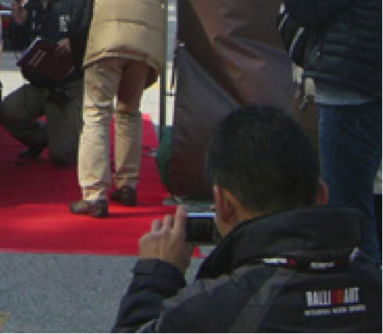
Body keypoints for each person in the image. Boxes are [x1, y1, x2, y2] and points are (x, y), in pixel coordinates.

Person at [113, 105, 381, 332]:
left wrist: (156, 276)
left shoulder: (213, 307)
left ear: (224, 204)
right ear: (322, 195)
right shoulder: (373, 284)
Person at [282, 0, 382, 263]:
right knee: (357, 198)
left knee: (348, 209)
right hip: (366, 84)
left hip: (347, 91)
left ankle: (365, 290)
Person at [66, 0, 169, 217]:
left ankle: (94, 193)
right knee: (129, 112)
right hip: (145, 46)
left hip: (108, 40)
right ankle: (127, 184)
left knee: (97, 113)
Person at [0, 0, 84, 164]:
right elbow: (20, 44)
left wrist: (75, 42)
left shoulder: (75, 0)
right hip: (39, 85)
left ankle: (68, 135)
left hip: (67, 88)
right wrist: (18, 24)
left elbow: (94, 35)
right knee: (6, 111)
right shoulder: (31, 4)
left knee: (62, 157)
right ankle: (42, 138)